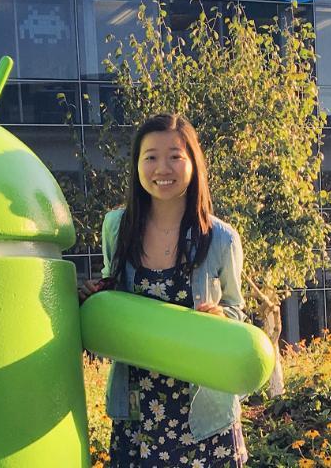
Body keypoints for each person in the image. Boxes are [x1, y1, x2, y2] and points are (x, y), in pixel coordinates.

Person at [80, 113, 249, 467]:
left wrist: (221, 318)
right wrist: (96, 297)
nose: (163, 168)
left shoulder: (220, 238)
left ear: (193, 163)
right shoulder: (117, 227)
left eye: (175, 156)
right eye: (151, 157)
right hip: (139, 411)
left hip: (203, 414)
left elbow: (236, 310)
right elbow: (113, 290)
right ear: (137, 165)